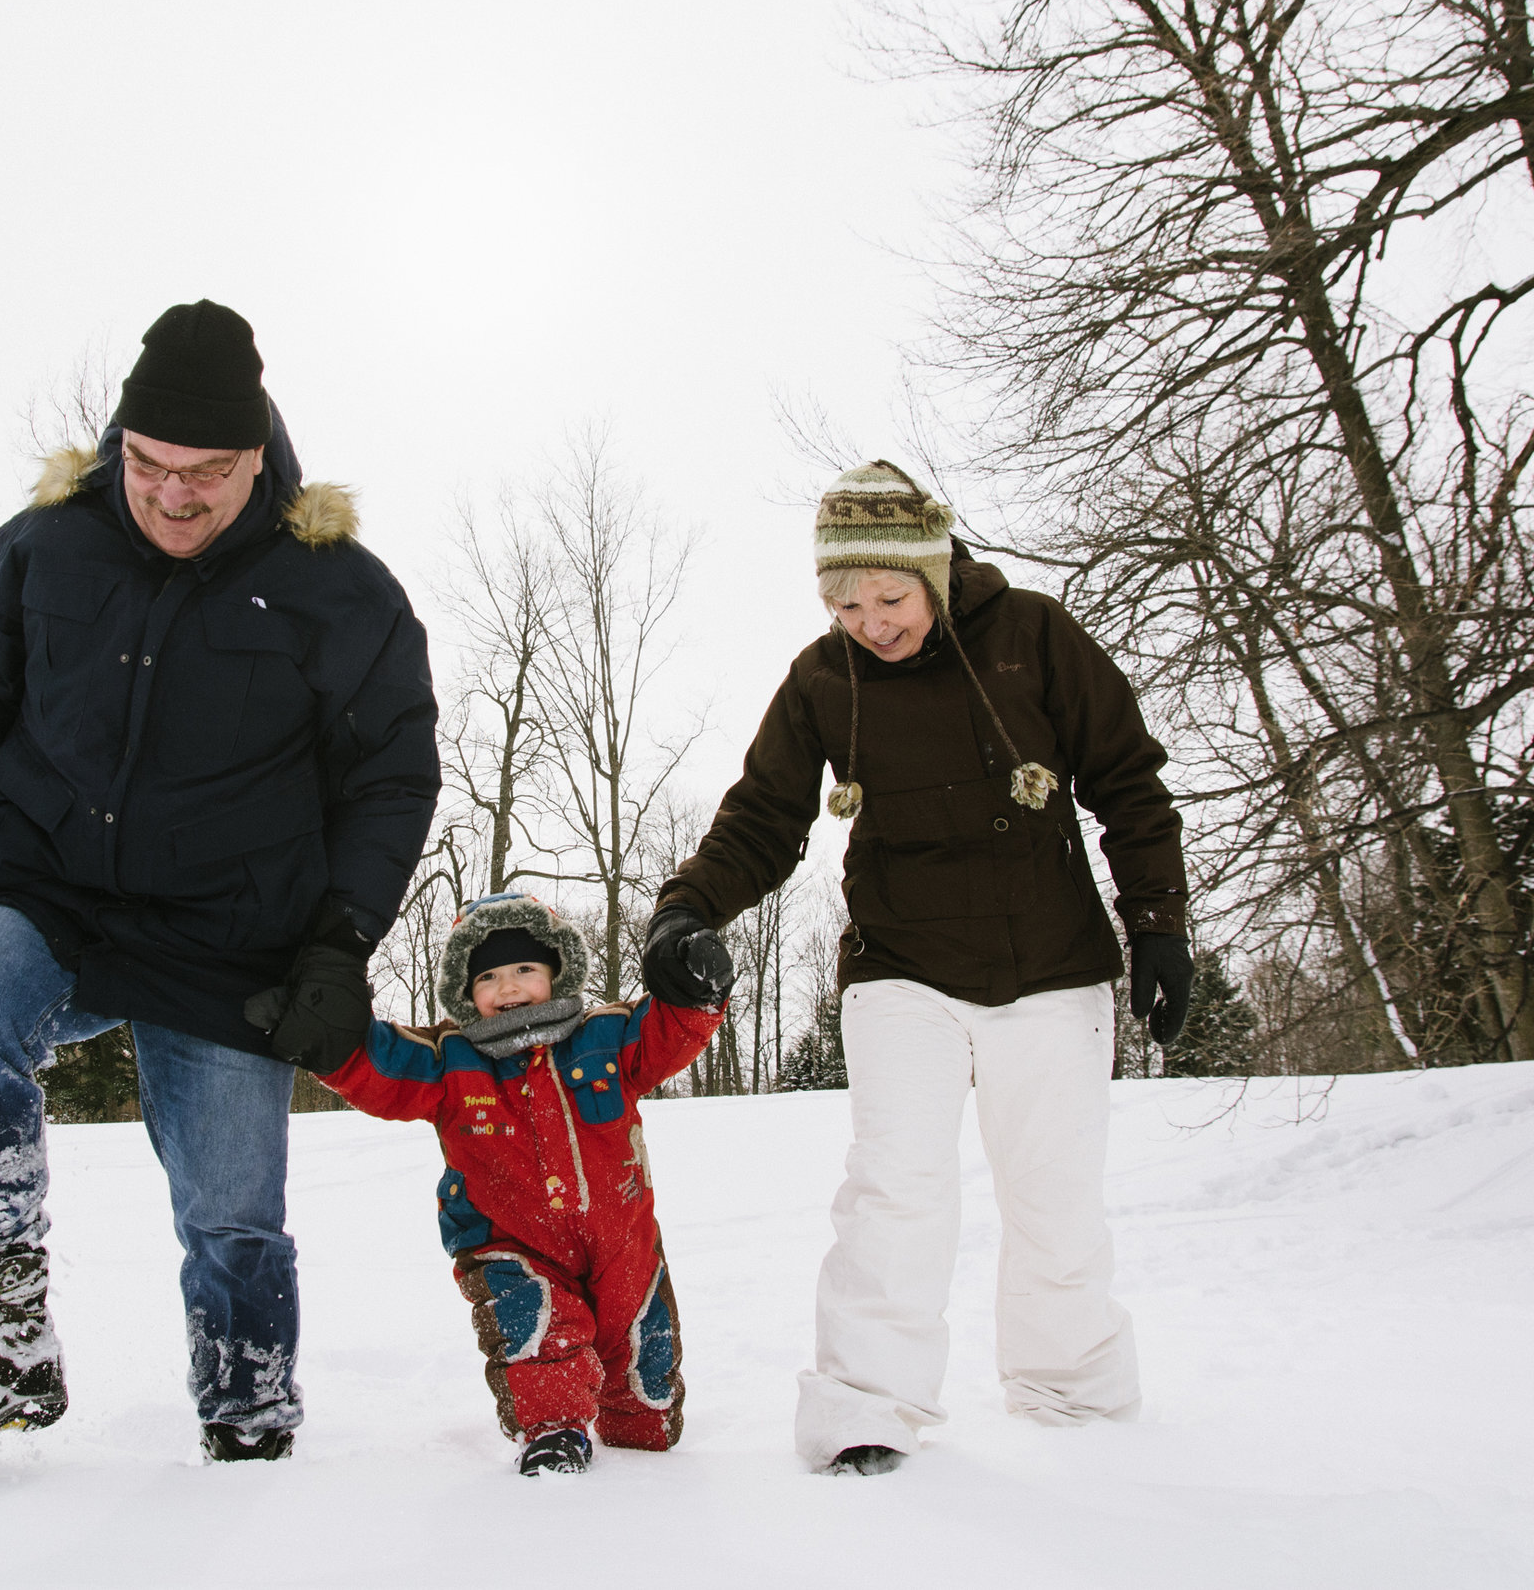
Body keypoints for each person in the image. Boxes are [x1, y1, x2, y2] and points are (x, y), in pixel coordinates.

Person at [0, 300, 439, 1471]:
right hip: (55, 896)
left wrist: (338, 940)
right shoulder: (41, 548)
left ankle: (248, 1407)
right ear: (118, 442)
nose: (173, 494)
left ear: (258, 456)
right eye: (148, 464)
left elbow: (392, 773)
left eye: (207, 473)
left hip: (231, 936)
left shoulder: (338, 590)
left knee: (230, 1216)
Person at [641, 459, 1191, 1475]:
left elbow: (1125, 776)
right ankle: (866, 1403)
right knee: (895, 1184)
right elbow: (763, 816)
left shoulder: (1034, 636)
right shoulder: (821, 678)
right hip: (901, 964)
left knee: (1052, 1191)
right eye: (844, 600)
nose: (869, 620)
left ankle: (1072, 1395)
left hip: (1052, 962)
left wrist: (1157, 918)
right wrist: (687, 907)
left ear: (934, 572)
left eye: (888, 596)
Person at [300, 893, 729, 1475]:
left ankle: (641, 1440)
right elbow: (381, 1071)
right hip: (510, 1241)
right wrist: (332, 1038)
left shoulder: (603, 1036)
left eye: (525, 969)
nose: (509, 987)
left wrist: (695, 992)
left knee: (641, 1360)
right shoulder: (450, 1060)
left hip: (620, 1240)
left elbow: (666, 1032)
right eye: (490, 977)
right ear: (465, 992)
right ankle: (554, 1432)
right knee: (535, 1329)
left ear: (556, 971)